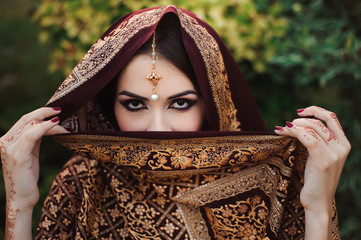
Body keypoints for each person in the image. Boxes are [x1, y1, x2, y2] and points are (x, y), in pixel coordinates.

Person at [0, 5, 350, 240]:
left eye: (180, 103)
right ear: (108, 107)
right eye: (134, 105)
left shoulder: (273, 184)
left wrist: (317, 209)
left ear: (214, 102)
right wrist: (20, 204)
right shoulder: (82, 183)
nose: (157, 129)